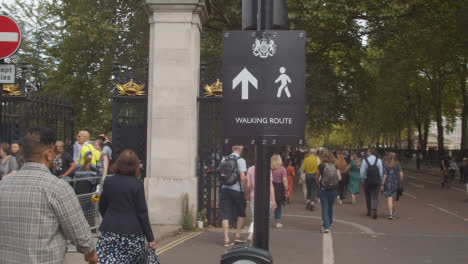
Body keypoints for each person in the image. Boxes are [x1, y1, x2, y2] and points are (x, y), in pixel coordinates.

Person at [0, 127, 97, 264]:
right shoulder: (58, 188)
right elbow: (79, 233)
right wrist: (91, 254)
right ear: (48, 154)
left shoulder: (3, 185)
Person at [97, 149, 156, 263]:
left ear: (118, 163)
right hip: (132, 232)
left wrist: (110, 217)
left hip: (109, 230)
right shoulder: (137, 184)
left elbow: (102, 205)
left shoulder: (109, 181)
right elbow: (142, 212)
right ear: (135, 166)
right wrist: (150, 238)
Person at [219, 145, 247, 247]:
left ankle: (226, 239)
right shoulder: (241, 160)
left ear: (232, 149)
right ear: (240, 149)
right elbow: (243, 177)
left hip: (224, 189)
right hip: (237, 190)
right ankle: (237, 235)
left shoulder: (224, 159)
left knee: (225, 214)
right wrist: (246, 189)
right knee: (241, 212)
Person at [245, 165, 277, 244]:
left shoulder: (250, 169)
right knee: (264, 219)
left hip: (254, 196)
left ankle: (251, 235)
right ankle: (258, 237)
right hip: (266, 197)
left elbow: (248, 186)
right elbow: (270, 186)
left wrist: (247, 195)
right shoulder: (266, 169)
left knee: (254, 218)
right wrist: (273, 200)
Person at [316, 150, 341, 233]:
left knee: (324, 208)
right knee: (330, 207)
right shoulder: (335, 165)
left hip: (323, 189)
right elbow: (340, 178)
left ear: (322, 157)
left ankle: (326, 226)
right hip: (333, 189)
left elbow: (317, 177)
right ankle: (329, 223)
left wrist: (318, 183)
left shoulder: (321, 166)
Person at [360, 148, 384, 219]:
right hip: (376, 181)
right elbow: (381, 172)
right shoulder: (379, 161)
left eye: (367, 151)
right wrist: (380, 179)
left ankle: (369, 211)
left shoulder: (365, 160)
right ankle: (375, 210)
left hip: (367, 180)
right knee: (375, 196)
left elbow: (362, 172)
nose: (367, 153)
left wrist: (362, 179)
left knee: (368, 196)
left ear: (370, 152)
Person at [380, 152, 404, 220]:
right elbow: (401, 175)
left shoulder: (386, 164)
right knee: (395, 199)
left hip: (388, 183)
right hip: (396, 183)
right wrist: (401, 182)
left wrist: (382, 184)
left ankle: (390, 214)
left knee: (389, 198)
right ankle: (394, 212)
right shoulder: (398, 164)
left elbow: (384, 176)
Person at [271, 154, 288, 228]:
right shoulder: (282, 169)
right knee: (278, 205)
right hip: (279, 188)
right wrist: (287, 189)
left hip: (270, 185)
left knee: (269, 203)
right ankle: (277, 221)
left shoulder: (270, 169)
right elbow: (284, 180)